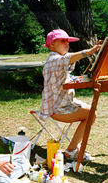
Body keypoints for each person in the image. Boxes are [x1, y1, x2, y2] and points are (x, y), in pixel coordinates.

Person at [38, 29, 102, 161]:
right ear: (51, 45)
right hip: (56, 109)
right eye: (63, 41)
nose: (67, 43)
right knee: (91, 114)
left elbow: (64, 76)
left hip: (61, 105)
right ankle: (71, 150)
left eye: (68, 41)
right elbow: (70, 57)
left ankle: (75, 147)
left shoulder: (57, 62)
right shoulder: (54, 60)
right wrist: (88, 52)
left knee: (90, 110)